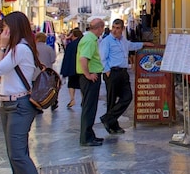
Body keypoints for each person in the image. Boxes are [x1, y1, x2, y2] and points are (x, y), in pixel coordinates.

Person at [0, 10, 50, 174]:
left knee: (18, 155)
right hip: (7, 103)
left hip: (19, 105)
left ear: (14, 28)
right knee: (13, 154)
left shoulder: (20, 49)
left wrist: (1, 47)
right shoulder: (14, 49)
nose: (3, 32)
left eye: (6, 28)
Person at [99, 18, 154, 134]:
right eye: (113, 27)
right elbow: (102, 57)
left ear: (122, 29)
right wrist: (107, 71)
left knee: (127, 97)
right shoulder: (107, 41)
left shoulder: (123, 41)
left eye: (117, 28)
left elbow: (131, 45)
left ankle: (108, 118)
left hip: (123, 72)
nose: (115, 30)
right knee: (111, 100)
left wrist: (144, 44)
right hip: (113, 72)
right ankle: (113, 125)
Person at [77, 18, 106, 146]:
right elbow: (83, 58)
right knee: (89, 107)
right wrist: (88, 74)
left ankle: (89, 134)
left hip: (91, 76)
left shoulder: (90, 38)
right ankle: (86, 138)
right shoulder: (89, 40)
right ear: (99, 28)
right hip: (90, 78)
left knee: (90, 106)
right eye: (102, 28)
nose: (102, 31)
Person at [34, 32, 59, 110]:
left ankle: (37, 106)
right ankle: (53, 102)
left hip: (35, 73)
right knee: (49, 88)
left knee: (36, 89)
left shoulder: (33, 48)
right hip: (47, 72)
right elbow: (53, 60)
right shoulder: (49, 48)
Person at [60, 28, 84, 108]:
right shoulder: (84, 43)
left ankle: (72, 99)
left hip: (72, 68)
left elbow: (67, 58)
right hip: (82, 68)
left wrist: (64, 72)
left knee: (71, 84)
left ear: (74, 35)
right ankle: (83, 100)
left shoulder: (70, 45)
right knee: (82, 85)